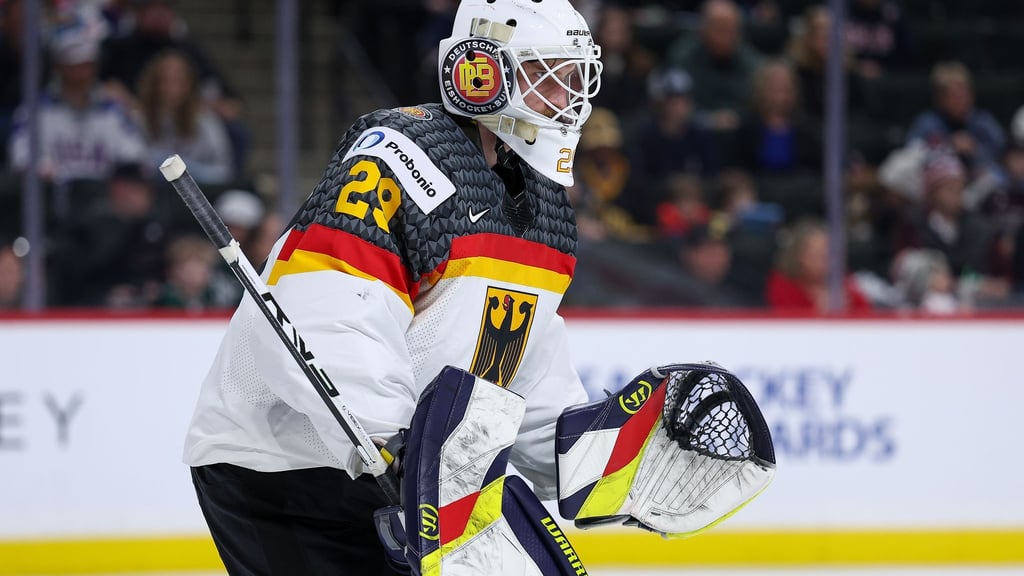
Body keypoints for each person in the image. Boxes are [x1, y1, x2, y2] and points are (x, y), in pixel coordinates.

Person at [183, 1, 602, 574]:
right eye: (546, 75)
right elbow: (331, 312)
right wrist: (401, 445)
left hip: (403, 475)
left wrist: (597, 455)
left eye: (573, 77)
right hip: (286, 469)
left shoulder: (543, 210)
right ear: (480, 74)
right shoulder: (399, 156)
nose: (566, 99)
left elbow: (510, 373)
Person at [137, 49, 234, 184]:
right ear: (154, 85)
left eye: (179, 82)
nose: (172, 90)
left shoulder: (205, 120)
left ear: (190, 85)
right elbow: (134, 164)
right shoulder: (139, 118)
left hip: (200, 193)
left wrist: (187, 170)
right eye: (166, 82)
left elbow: (223, 171)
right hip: (152, 195)